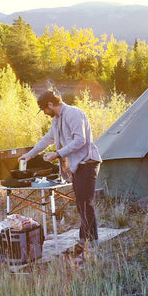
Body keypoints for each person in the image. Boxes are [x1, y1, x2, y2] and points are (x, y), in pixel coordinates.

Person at [22, 89, 102, 246]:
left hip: (88, 163)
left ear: (51, 104)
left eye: (44, 109)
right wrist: (30, 154)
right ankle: (87, 239)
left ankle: (89, 241)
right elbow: (48, 139)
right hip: (77, 165)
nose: (44, 113)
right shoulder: (56, 120)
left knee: (85, 203)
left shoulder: (73, 114)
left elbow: (80, 140)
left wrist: (57, 154)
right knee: (81, 204)